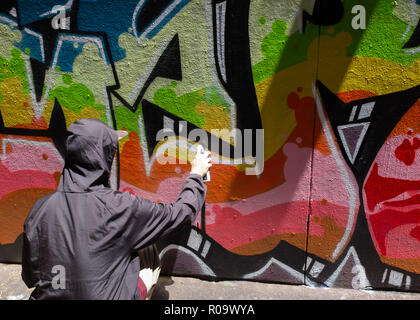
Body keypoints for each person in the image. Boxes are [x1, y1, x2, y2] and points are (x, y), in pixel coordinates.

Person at [21, 118, 211, 300]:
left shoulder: (40, 209)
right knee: (147, 248)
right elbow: (180, 214)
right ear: (103, 158)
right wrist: (196, 175)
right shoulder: (119, 208)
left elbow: (31, 277)